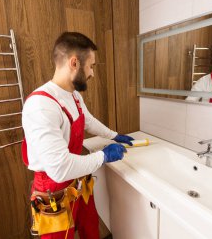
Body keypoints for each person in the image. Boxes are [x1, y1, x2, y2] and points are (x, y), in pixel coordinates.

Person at [21, 32, 134, 239]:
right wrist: (104, 156)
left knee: (91, 228)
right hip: (53, 192)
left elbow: (87, 120)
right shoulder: (41, 105)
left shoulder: (73, 95)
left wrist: (114, 135)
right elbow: (60, 168)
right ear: (74, 63)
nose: (92, 73)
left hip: (78, 182)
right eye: (91, 66)